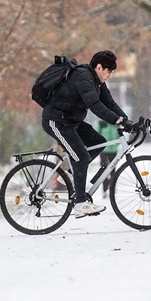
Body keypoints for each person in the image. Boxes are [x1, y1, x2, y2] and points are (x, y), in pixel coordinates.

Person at [42, 50, 130, 218]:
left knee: (98, 142)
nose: (110, 76)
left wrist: (125, 120)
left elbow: (109, 102)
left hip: (71, 121)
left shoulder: (96, 81)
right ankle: (80, 204)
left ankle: (67, 176)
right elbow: (95, 105)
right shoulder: (83, 77)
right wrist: (117, 121)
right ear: (99, 67)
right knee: (81, 157)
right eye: (109, 71)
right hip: (56, 121)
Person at [94, 119, 120, 196]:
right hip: (103, 150)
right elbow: (95, 134)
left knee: (113, 170)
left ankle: (112, 188)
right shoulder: (101, 124)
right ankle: (105, 189)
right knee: (104, 169)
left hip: (114, 150)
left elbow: (119, 135)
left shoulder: (116, 124)